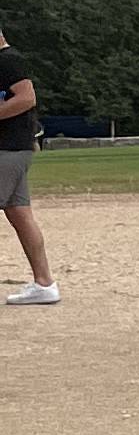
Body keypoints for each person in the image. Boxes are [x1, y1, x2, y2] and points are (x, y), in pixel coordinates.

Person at [1, 27, 54, 305]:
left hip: (8, 149)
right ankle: (44, 284)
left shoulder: (8, 60)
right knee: (19, 214)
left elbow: (26, 98)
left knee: (20, 214)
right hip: (14, 149)